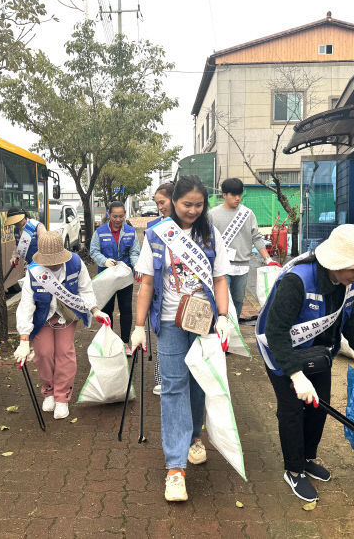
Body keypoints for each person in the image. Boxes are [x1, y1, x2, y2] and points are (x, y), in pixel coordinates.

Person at [256, 224, 354, 502]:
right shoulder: (297, 280)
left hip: (318, 354)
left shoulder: (346, 284)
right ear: (336, 263)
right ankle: (293, 469)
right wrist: (296, 376)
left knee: (318, 407)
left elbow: (350, 319)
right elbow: (276, 332)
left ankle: (307, 458)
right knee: (292, 411)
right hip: (282, 352)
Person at [130, 175, 231, 502]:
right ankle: (175, 468)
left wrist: (225, 317)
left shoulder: (210, 233)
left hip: (202, 320)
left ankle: (194, 437)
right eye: (187, 204)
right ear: (173, 202)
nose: (193, 210)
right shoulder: (157, 234)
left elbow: (219, 279)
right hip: (170, 323)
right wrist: (138, 325)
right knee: (173, 386)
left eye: (199, 205)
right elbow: (146, 283)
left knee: (199, 383)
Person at [15, 231, 110, 420]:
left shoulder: (75, 263)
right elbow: (26, 304)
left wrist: (95, 310)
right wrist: (24, 339)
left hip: (67, 315)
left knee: (65, 353)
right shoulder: (34, 271)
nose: (52, 265)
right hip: (42, 317)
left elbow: (85, 288)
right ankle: (49, 391)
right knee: (43, 354)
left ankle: (62, 397)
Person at [208, 177, 280, 320]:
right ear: (224, 195)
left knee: (238, 300)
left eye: (239, 194)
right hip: (222, 266)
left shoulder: (247, 214)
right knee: (224, 301)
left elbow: (256, 237)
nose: (237, 198)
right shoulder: (212, 214)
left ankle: (234, 330)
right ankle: (224, 330)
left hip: (242, 266)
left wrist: (267, 259)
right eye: (233, 195)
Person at [90, 201, 140, 355]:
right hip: (106, 277)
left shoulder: (131, 232)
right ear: (109, 215)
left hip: (125, 277)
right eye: (115, 216)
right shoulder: (100, 232)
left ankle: (125, 343)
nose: (118, 220)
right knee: (107, 310)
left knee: (126, 309)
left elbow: (134, 252)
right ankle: (109, 343)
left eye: (121, 216)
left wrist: (137, 265)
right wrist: (104, 261)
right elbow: (94, 251)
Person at [143, 182, 174, 395]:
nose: (160, 207)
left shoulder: (195, 228)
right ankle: (161, 378)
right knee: (162, 341)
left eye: (162, 202)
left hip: (190, 299)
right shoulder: (154, 228)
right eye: (157, 203)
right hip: (162, 296)